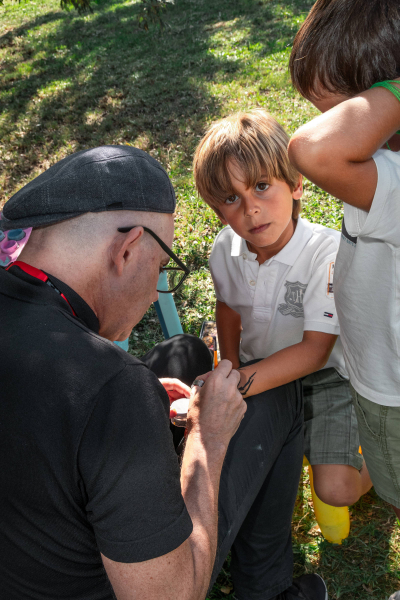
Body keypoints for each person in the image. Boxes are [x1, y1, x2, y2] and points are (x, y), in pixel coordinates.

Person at [0, 145, 316, 600]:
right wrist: (209, 436)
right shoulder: (111, 387)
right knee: (275, 395)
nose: (155, 293)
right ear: (127, 251)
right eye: (163, 267)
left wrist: (140, 401)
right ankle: (268, 589)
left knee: (184, 352)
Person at [194, 108, 371, 507]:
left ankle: (379, 464)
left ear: (295, 184)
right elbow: (228, 307)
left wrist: (237, 383)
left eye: (260, 186)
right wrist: (231, 364)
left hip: (326, 378)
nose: (250, 209)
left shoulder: (325, 252)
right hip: (258, 369)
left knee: (336, 491)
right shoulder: (225, 248)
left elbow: (314, 352)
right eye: (230, 198)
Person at [287, 1, 400, 599]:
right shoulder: (386, 169)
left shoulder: (396, 179)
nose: (323, 126)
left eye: (339, 114)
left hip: (393, 391)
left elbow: (314, 152)